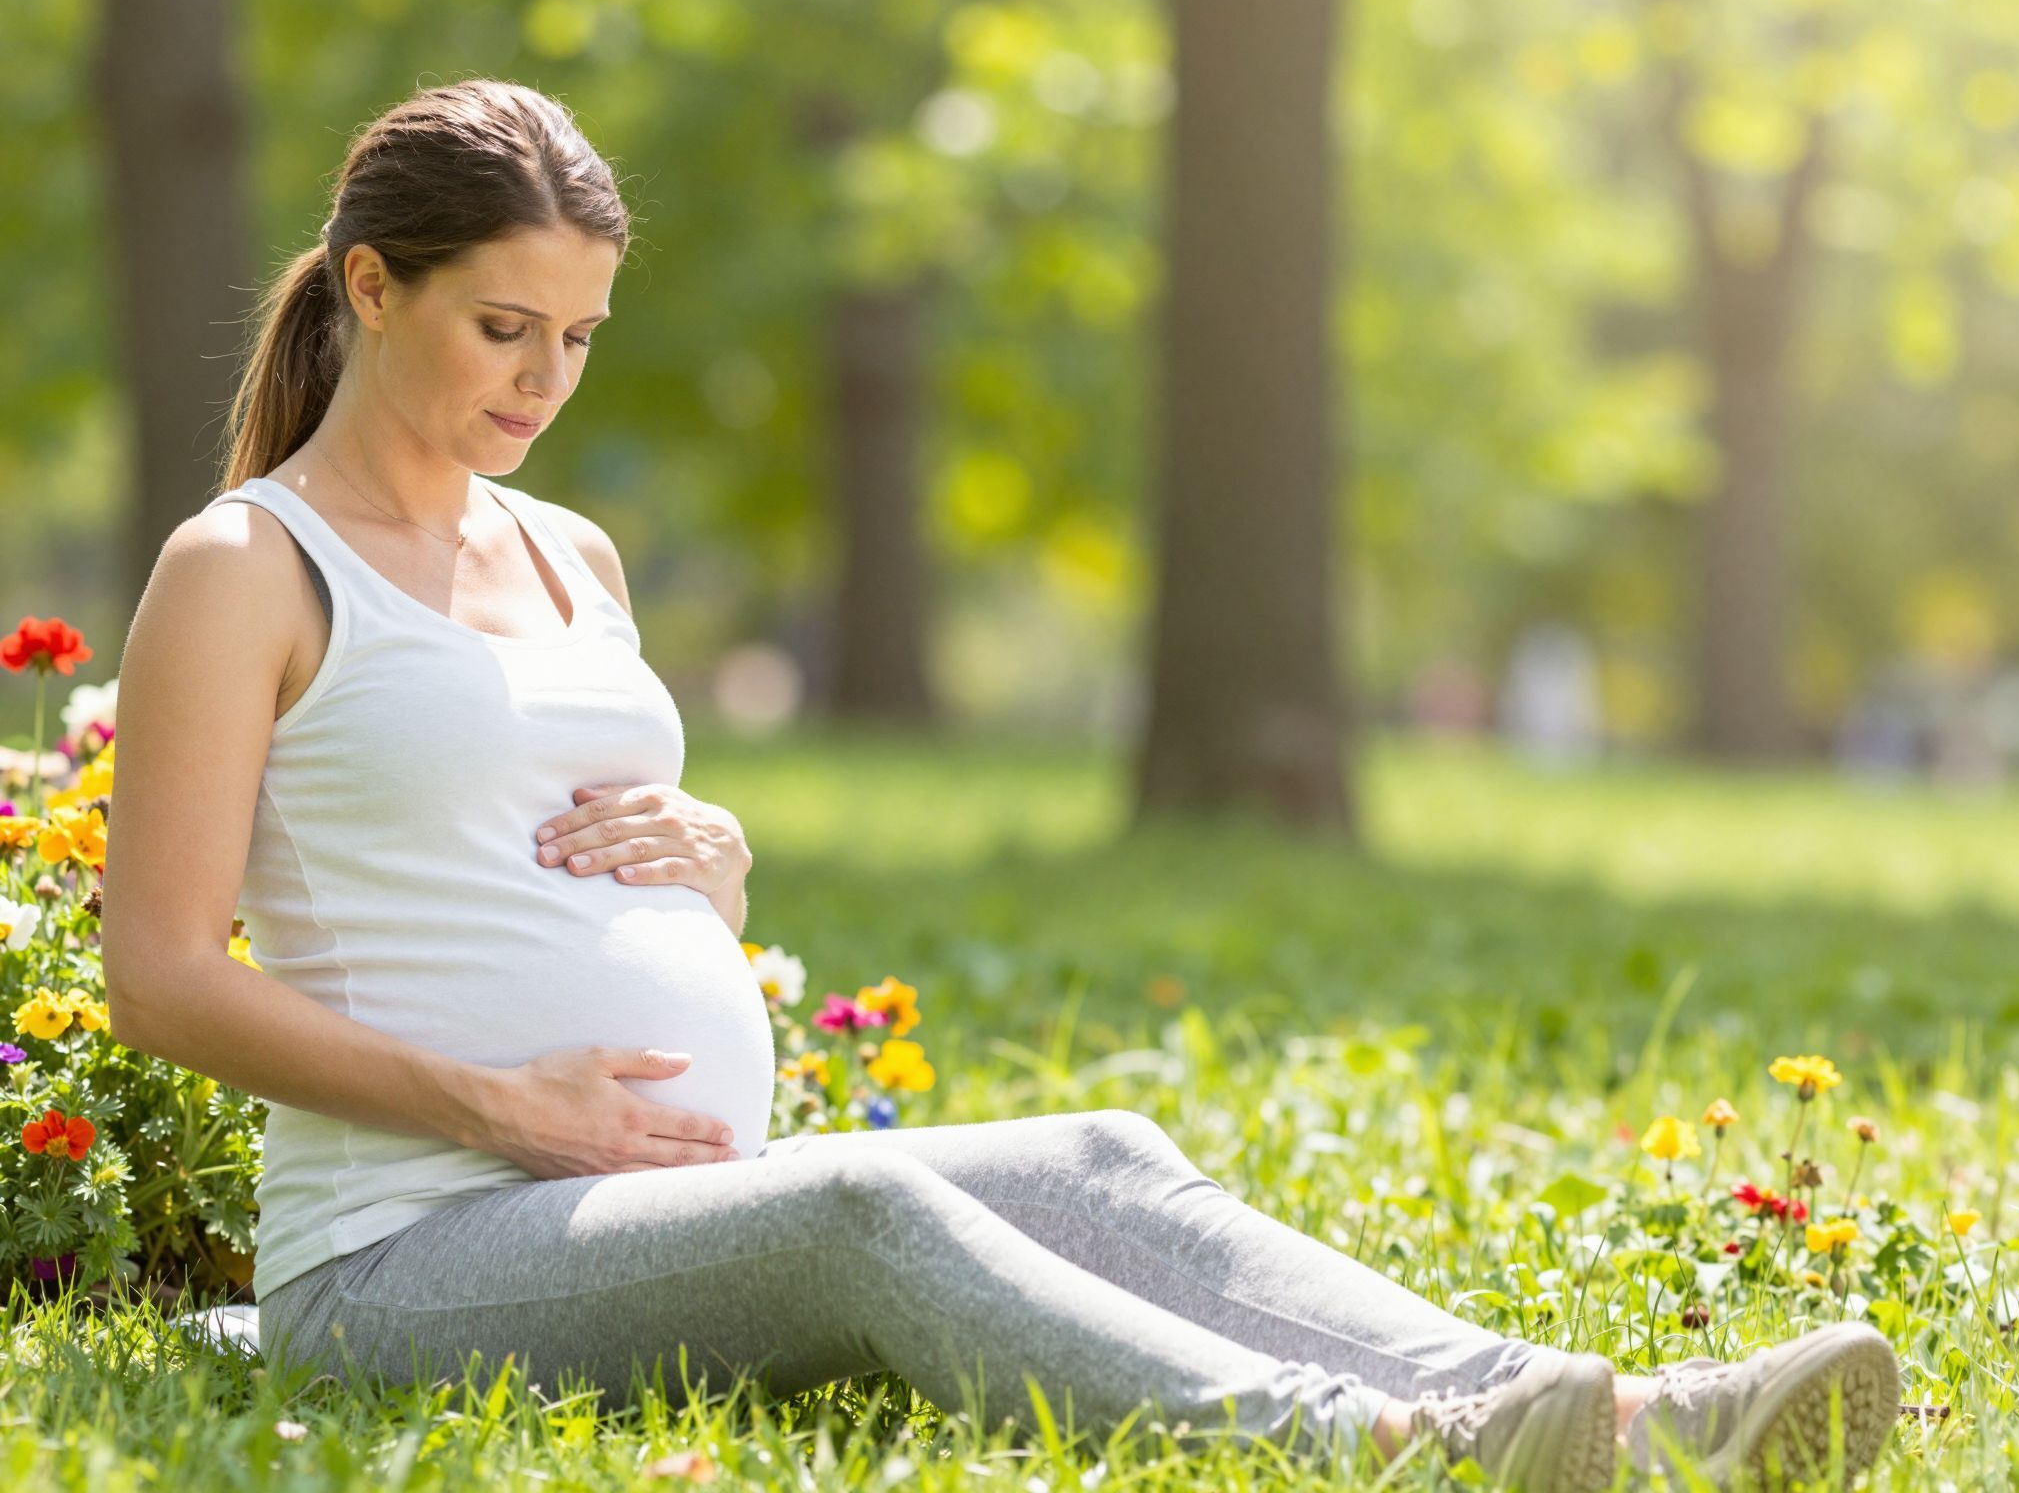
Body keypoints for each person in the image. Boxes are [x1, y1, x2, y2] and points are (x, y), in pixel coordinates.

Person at [97, 79, 1901, 1493]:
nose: (544, 381)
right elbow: (161, 975)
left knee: (1102, 1150)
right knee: (867, 1210)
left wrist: (710, 874)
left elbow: (533, 846)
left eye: (578, 338)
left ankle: (1621, 1420)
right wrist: (501, 1105)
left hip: (625, 1200)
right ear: (368, 286)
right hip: (407, 1255)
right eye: (504, 330)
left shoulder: (574, 555)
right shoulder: (245, 569)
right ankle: (1355, 1451)